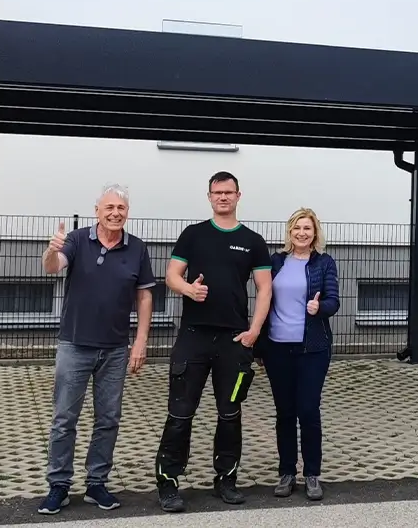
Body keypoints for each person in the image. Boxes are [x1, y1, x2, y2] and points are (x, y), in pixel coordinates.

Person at [154, 171, 274, 513]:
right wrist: (188, 289)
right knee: (180, 414)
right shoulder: (193, 235)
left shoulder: (253, 240)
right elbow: (171, 275)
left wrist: (254, 331)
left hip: (234, 341)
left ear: (238, 196)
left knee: (230, 413)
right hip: (193, 338)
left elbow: (265, 288)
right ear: (209, 197)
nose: (223, 197)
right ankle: (168, 482)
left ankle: (226, 480)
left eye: (228, 192)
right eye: (217, 192)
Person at [37, 184, 158, 516]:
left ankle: (96, 483)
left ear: (127, 212)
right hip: (75, 345)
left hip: (115, 349)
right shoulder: (77, 240)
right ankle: (59, 485)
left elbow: (144, 296)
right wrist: (51, 250)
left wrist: (141, 341)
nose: (115, 213)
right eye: (109, 207)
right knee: (64, 419)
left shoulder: (137, 248)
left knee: (108, 419)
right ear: (97, 211)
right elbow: (53, 266)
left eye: (121, 208)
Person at [254, 207, 340, 501]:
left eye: (307, 228)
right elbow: (263, 299)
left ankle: (312, 473)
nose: (302, 233)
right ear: (289, 232)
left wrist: (320, 307)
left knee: (308, 410)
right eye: (297, 228)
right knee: (285, 412)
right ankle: (287, 472)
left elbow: (333, 301)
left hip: (312, 348)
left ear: (315, 233)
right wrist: (259, 344)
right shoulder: (276, 261)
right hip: (277, 348)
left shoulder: (324, 263)